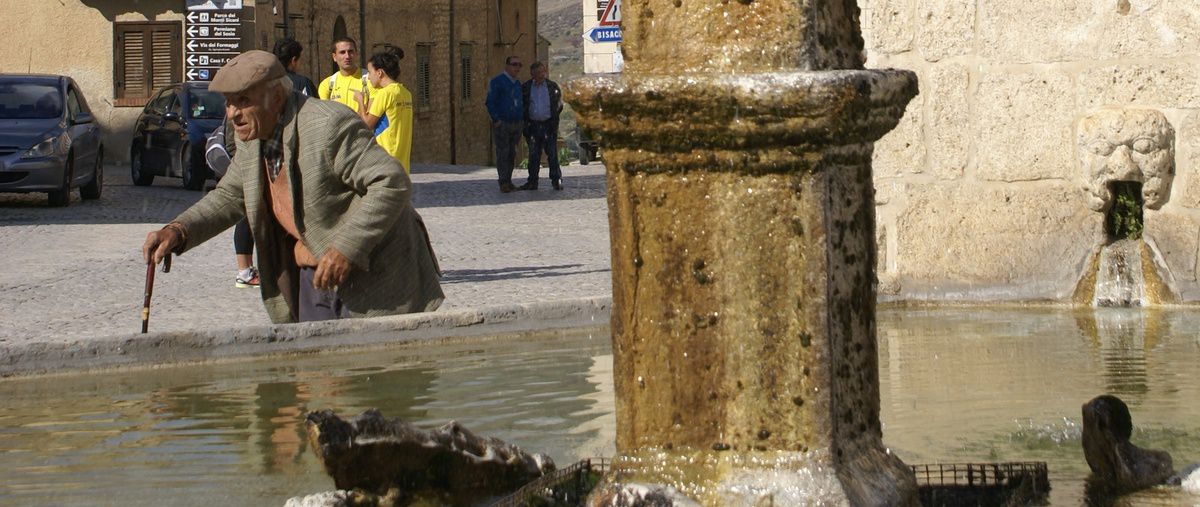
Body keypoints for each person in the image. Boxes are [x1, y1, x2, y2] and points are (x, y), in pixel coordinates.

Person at [143, 50, 443, 323]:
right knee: (313, 371)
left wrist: (346, 248)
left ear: (275, 97)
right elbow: (230, 195)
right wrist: (178, 230)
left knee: (378, 375)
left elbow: (391, 182)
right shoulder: (252, 137)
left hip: (378, 271)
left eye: (243, 100)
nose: (232, 113)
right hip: (315, 272)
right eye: (229, 101)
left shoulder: (328, 125)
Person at [204, 117, 259, 288]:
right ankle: (244, 271)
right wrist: (245, 164)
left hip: (254, 165)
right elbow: (231, 143)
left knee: (252, 216)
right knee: (246, 216)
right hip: (246, 166)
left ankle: (248, 270)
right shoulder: (238, 109)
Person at [355, 45, 414, 173]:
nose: (369, 77)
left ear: (380, 73)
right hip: (402, 162)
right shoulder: (406, 93)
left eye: (370, 72)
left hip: (385, 160)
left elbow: (366, 125)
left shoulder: (384, 94)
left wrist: (360, 100)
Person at [520, 61, 563, 191]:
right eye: (538, 72)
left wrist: (553, 119)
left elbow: (559, 105)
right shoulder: (526, 87)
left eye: (543, 72)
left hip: (548, 125)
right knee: (533, 155)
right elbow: (522, 106)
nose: (541, 75)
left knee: (552, 154)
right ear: (532, 74)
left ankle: (556, 180)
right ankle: (532, 181)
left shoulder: (551, 86)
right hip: (533, 126)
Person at [485, 55, 524, 193]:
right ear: (507, 66)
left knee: (512, 153)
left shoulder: (517, 83)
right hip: (503, 123)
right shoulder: (498, 82)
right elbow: (490, 101)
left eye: (519, 65)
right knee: (503, 153)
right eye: (514, 64)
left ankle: (509, 180)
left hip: (516, 123)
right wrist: (496, 119)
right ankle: (503, 182)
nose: (517, 68)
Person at [317, 37, 370, 112]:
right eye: (342, 52)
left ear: (356, 54)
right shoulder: (327, 85)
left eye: (350, 51)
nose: (347, 56)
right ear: (334, 57)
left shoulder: (369, 79)